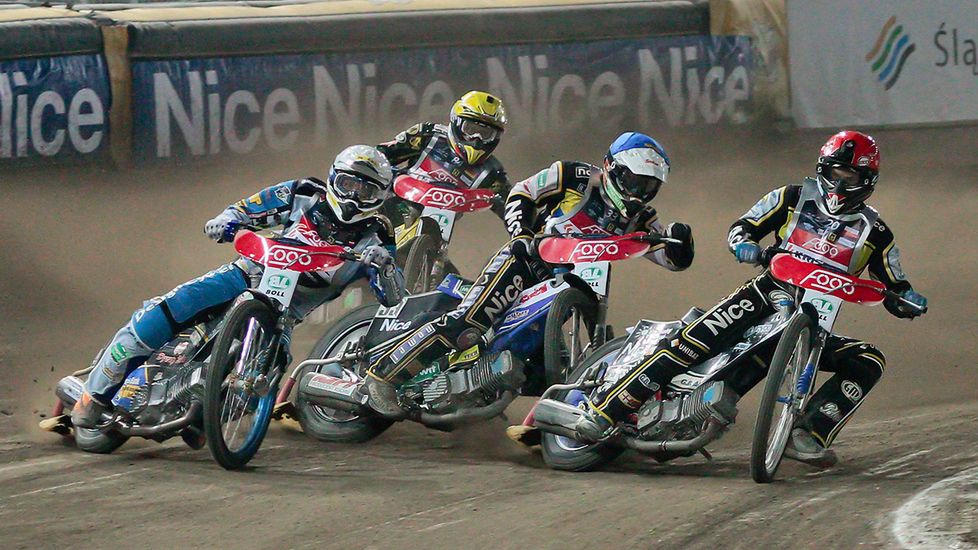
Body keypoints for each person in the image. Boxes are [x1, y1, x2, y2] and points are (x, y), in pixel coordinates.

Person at [575, 130, 928, 466]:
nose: (839, 184)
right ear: (823, 169)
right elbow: (743, 226)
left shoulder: (876, 233)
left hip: (814, 322)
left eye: (849, 177)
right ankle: (606, 410)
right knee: (692, 342)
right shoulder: (791, 197)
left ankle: (808, 433)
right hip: (764, 294)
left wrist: (907, 299)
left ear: (867, 181)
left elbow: (895, 284)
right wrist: (744, 245)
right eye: (836, 172)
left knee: (868, 360)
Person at [361, 131, 695, 417]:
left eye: (649, 187)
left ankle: (566, 412)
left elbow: (670, 258)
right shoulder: (574, 175)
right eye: (634, 181)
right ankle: (383, 376)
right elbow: (523, 192)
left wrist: (681, 243)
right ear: (611, 167)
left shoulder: (642, 218)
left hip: (576, 286)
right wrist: (521, 234)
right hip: (526, 263)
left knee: (549, 365)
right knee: (469, 324)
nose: (638, 193)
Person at [71, 145, 405, 428]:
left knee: (264, 380)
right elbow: (249, 208)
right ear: (333, 178)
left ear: (380, 196)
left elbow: (394, 297)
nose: (353, 197)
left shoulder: (378, 232)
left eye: (366, 191)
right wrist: (226, 221)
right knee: (164, 310)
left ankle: (204, 413)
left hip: (287, 312)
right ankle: (93, 396)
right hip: (245, 274)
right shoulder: (304, 193)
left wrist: (385, 265)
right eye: (348, 184)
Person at [376, 90, 510, 224]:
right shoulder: (427, 135)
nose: (477, 139)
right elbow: (380, 155)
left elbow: (513, 208)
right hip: (392, 204)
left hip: (438, 224)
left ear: (495, 138)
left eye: (485, 134)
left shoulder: (491, 172)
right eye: (470, 130)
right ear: (456, 122)